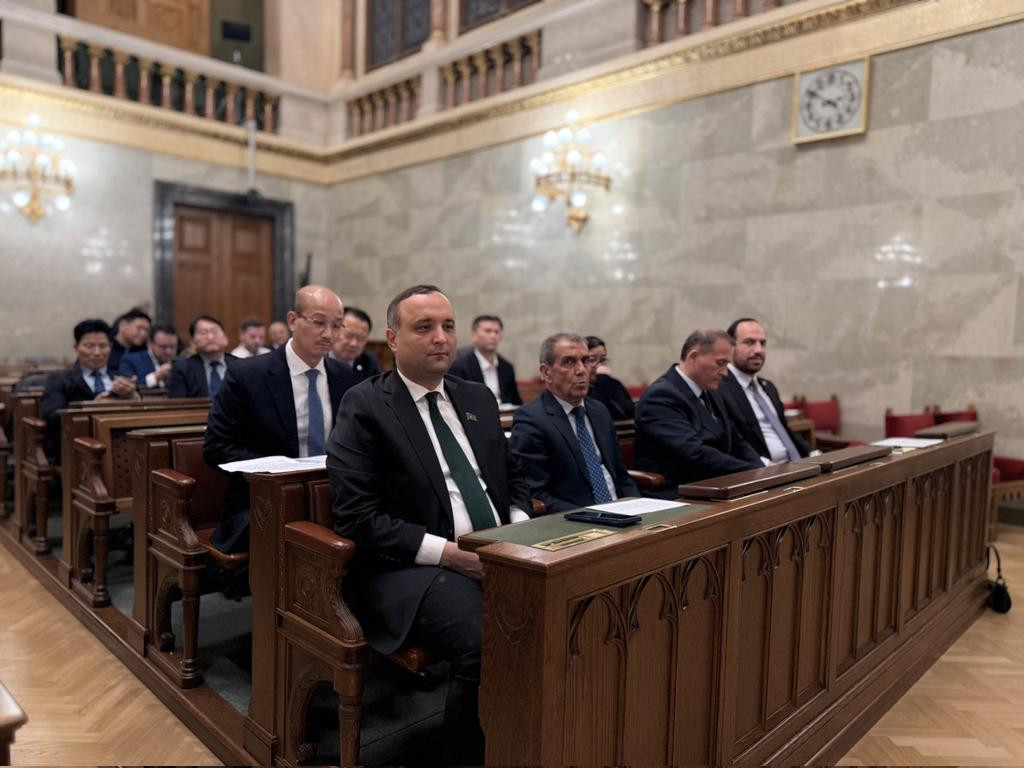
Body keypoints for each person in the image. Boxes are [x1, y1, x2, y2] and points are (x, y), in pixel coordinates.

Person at [327, 285, 530, 765]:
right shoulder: (366, 405)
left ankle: (535, 740)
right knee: (489, 641)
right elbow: (357, 516)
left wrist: (518, 527)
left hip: (501, 550)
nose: (441, 337)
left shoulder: (477, 396)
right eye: (424, 327)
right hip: (411, 567)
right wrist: (450, 554)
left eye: (448, 326)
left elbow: (513, 477)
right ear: (392, 339)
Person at [204, 286, 356, 553]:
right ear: (292, 321)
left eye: (336, 325)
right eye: (319, 322)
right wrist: (279, 470)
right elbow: (217, 447)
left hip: (332, 498)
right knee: (301, 540)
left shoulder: (344, 377)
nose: (328, 334)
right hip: (263, 500)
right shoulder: (248, 374)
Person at [510, 333, 638, 513]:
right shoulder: (531, 420)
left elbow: (621, 475)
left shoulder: (599, 411)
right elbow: (536, 493)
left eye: (586, 361)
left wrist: (641, 508)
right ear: (546, 372)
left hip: (623, 511)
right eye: (569, 362)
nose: (581, 370)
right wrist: (594, 515)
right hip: (578, 518)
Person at [635, 329, 763, 490]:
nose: (725, 373)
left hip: (716, 485)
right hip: (679, 492)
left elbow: (736, 439)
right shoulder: (660, 397)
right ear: (693, 357)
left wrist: (761, 469)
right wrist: (751, 472)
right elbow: (695, 454)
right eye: (721, 363)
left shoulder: (710, 390)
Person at [41, 319, 138, 459]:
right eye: (89, 346)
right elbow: (51, 416)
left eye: (103, 346)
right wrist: (91, 407)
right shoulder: (59, 380)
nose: (97, 352)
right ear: (76, 347)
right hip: (76, 451)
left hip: (123, 448)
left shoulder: (122, 378)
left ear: (110, 347)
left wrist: (134, 397)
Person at [718, 318, 811, 463]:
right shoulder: (719, 387)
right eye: (749, 342)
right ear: (730, 347)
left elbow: (784, 429)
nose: (759, 350)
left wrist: (812, 452)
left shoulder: (768, 387)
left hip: (795, 465)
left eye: (762, 343)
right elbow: (728, 442)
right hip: (760, 470)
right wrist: (763, 464)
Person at [448, 314, 522, 405]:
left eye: (497, 332)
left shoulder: (507, 367)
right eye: (488, 331)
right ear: (474, 335)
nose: (493, 336)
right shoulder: (459, 367)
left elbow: (516, 401)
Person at [168, 315, 235, 398]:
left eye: (215, 332)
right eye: (203, 333)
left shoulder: (240, 366)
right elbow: (178, 404)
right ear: (193, 342)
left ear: (225, 339)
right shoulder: (182, 369)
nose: (210, 337)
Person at [585, 335, 635, 421]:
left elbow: (629, 412)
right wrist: (601, 380)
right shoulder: (579, 388)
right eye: (592, 360)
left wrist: (604, 382)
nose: (599, 365)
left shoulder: (613, 384)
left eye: (602, 360)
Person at [118, 324, 179, 390]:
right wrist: (156, 377)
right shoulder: (131, 360)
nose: (168, 351)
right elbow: (127, 386)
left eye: (172, 347)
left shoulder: (180, 363)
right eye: (163, 347)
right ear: (149, 343)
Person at [330, 306, 381, 382]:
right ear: (334, 330)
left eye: (361, 338)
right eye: (348, 335)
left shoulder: (368, 362)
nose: (353, 344)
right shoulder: (318, 359)